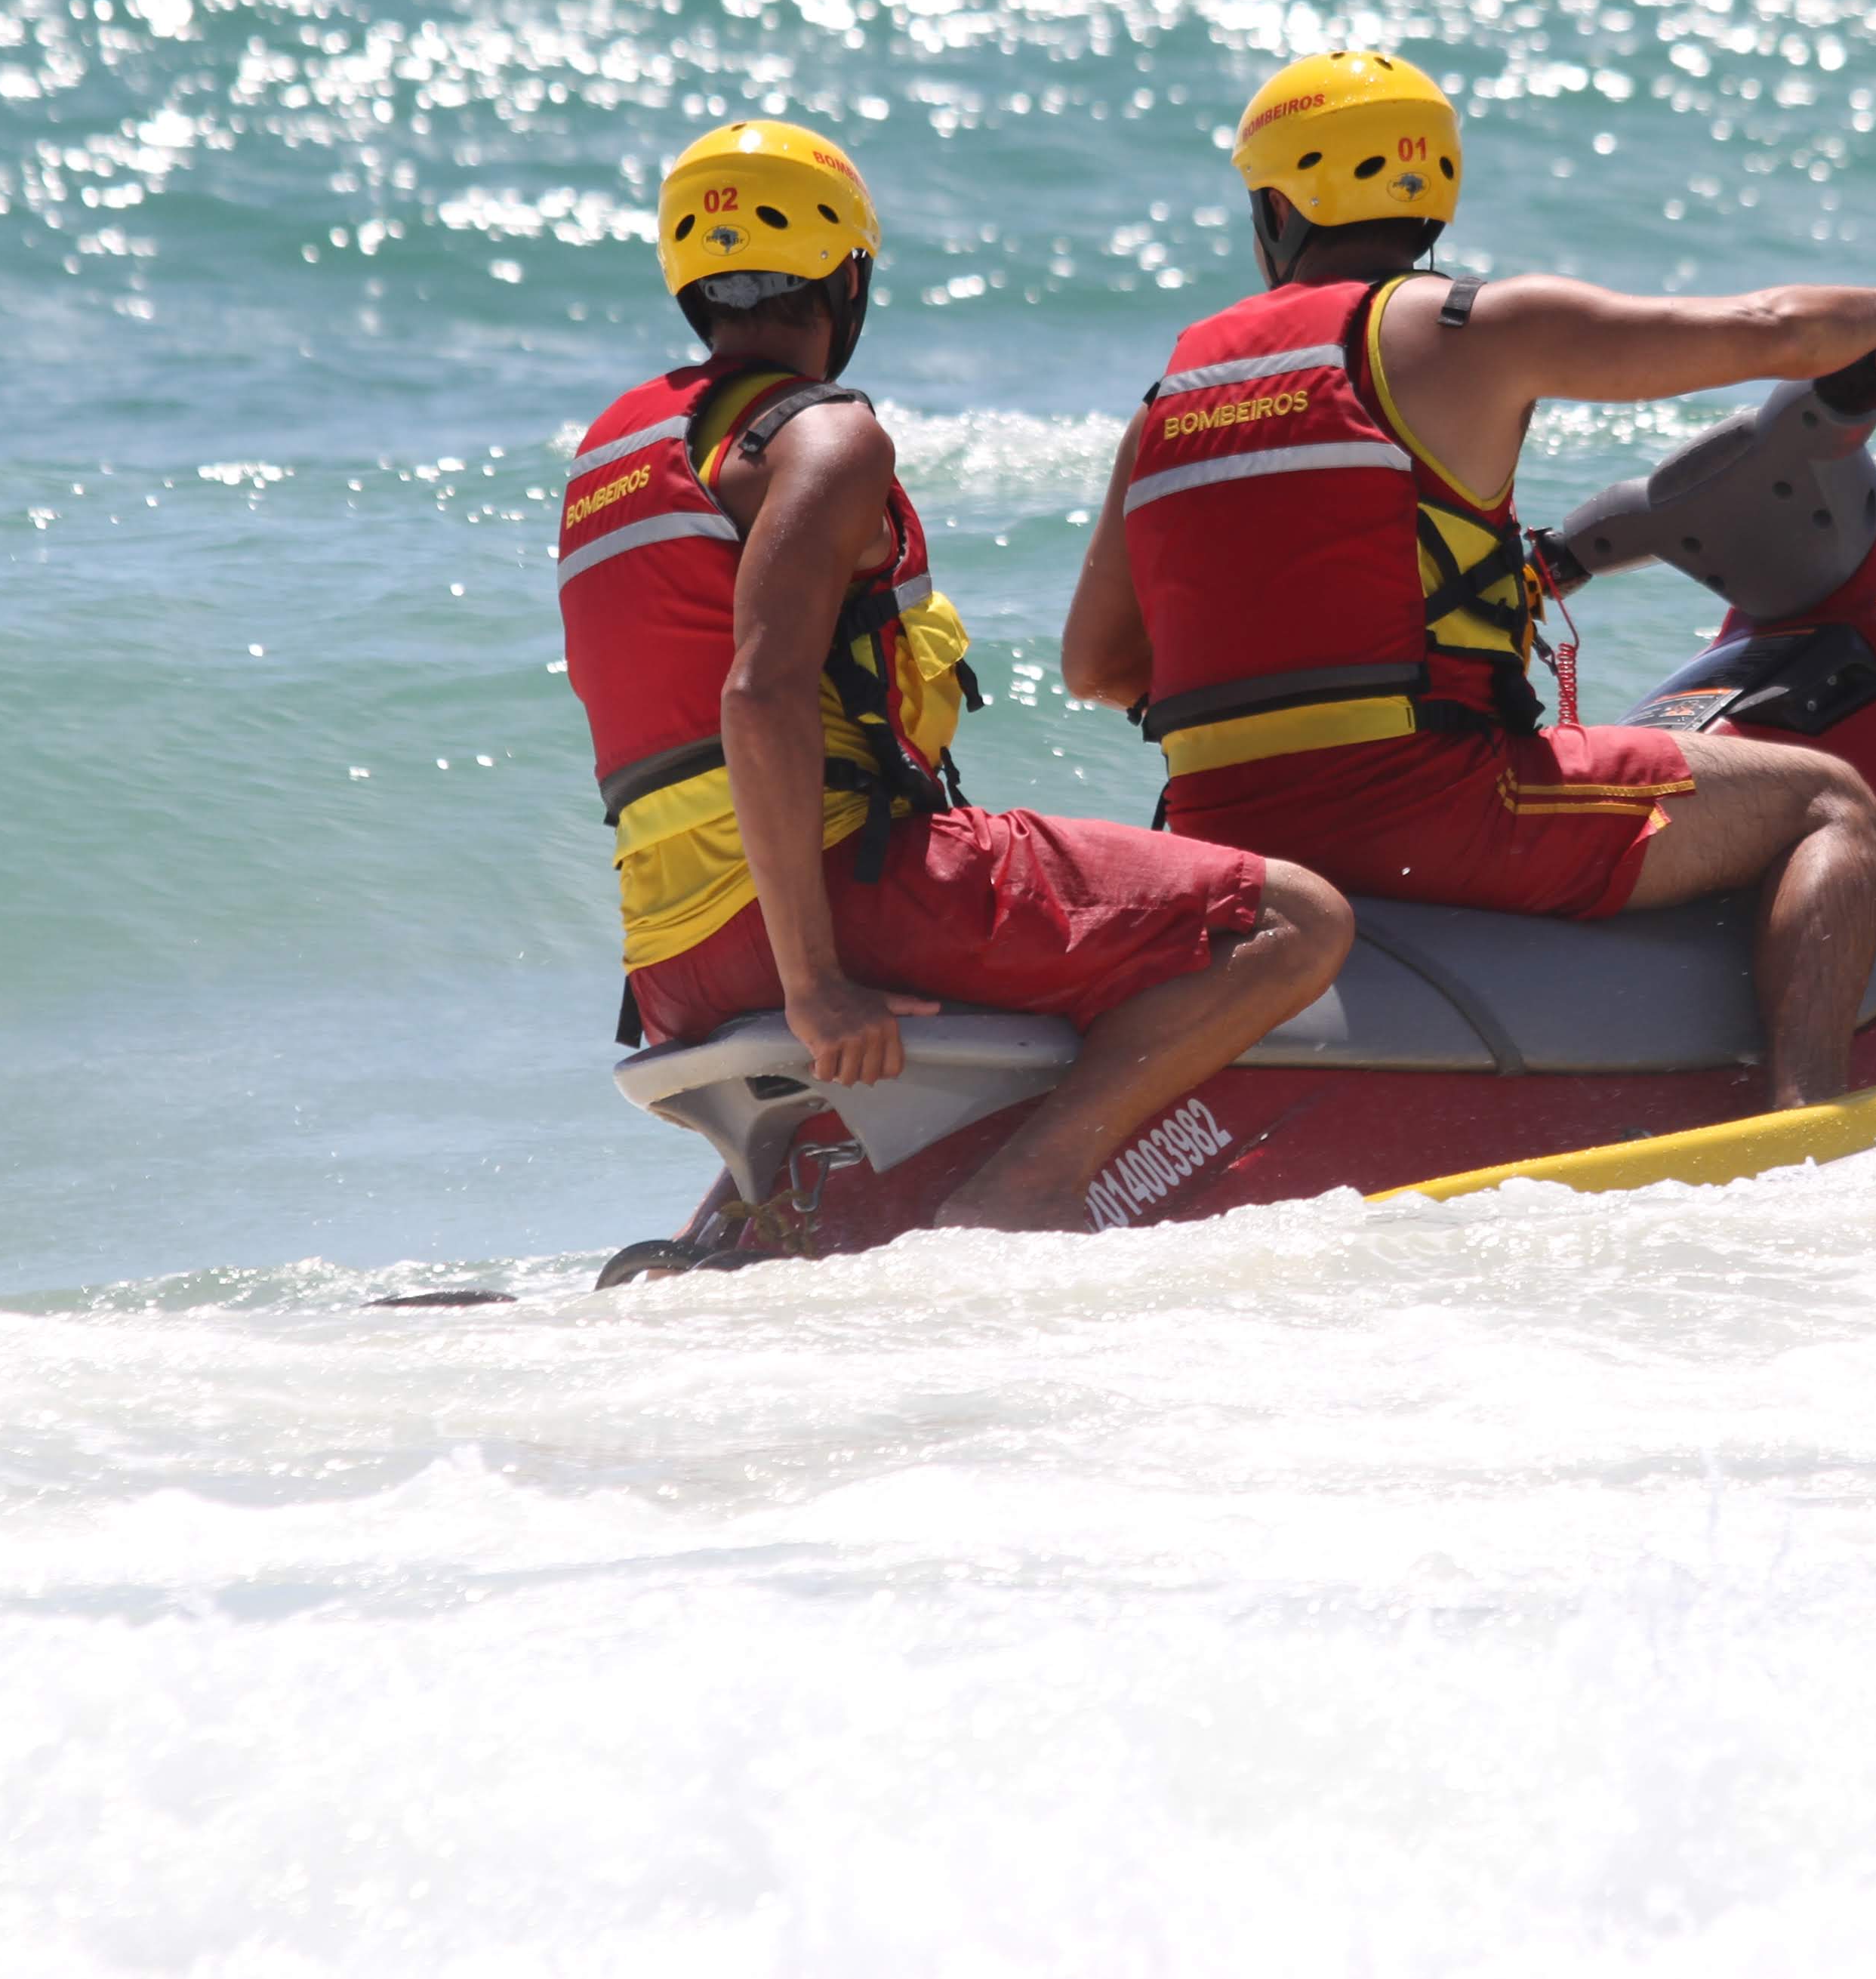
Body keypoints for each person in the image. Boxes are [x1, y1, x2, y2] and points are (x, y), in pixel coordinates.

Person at [1059, 52, 1876, 1111]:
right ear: (1435, 186)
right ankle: (1804, 1125)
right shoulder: (1472, 330)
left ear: (1277, 207)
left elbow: (1098, 667)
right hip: (1433, 809)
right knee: (1826, 799)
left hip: (1225, 826)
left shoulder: (1170, 397)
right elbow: (1769, 330)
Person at [556, 119, 1351, 1231]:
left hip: (669, 959)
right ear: (849, 275)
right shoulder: (822, 438)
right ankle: (1034, 1183)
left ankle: (758, 1224)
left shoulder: (620, 453)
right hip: (829, 905)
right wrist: (814, 985)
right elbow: (760, 694)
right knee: (1295, 920)